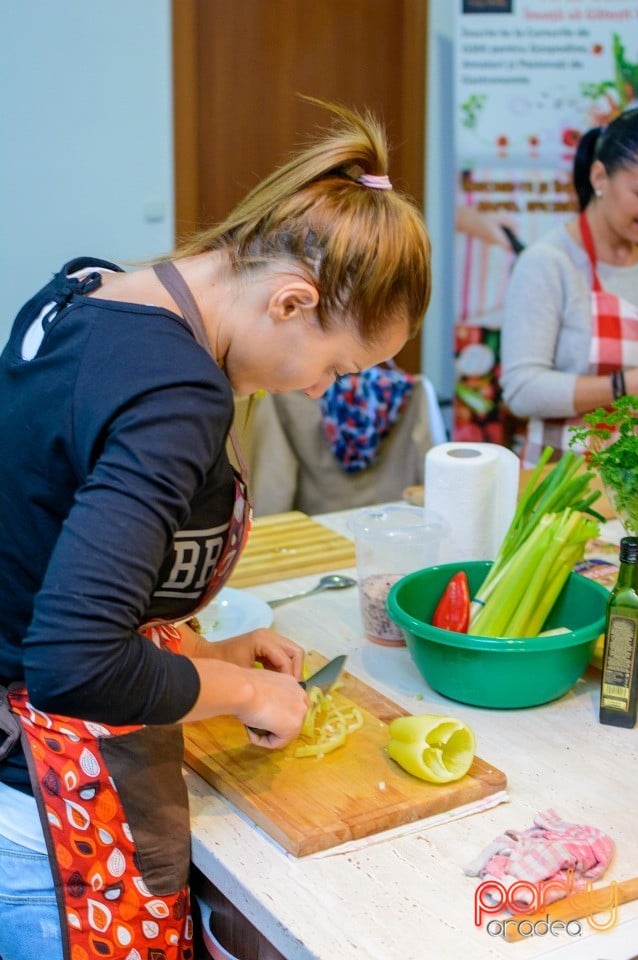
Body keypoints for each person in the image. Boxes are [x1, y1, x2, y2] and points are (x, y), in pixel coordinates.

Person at [0, 98, 431, 960]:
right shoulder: (177, 393)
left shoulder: (94, 295)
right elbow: (71, 662)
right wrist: (246, 695)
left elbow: (43, 551)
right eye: (336, 366)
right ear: (290, 301)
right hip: (47, 811)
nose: (319, 391)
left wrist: (209, 659)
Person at [500, 108, 638, 467]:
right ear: (599, 176)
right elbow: (522, 390)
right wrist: (625, 387)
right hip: (566, 487)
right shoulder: (548, 263)